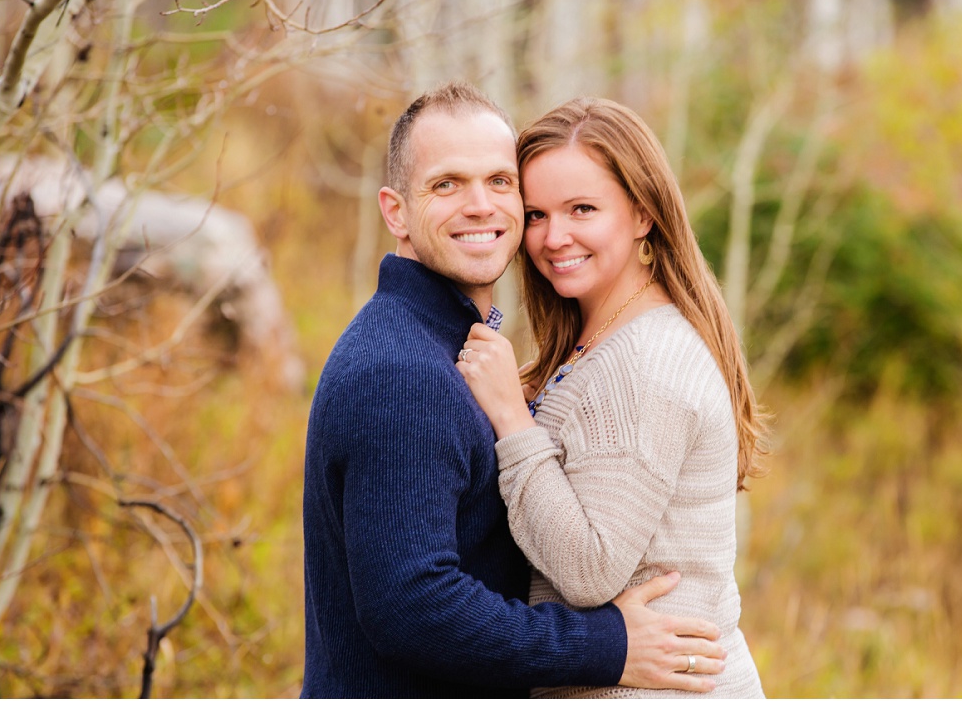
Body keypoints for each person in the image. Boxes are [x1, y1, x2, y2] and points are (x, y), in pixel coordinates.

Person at [301, 82, 729, 698]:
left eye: (501, 183)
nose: (481, 206)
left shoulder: (458, 352)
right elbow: (413, 605)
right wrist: (606, 647)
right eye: (447, 184)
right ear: (395, 211)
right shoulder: (400, 373)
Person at [456, 97, 768, 698]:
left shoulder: (643, 365)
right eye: (537, 214)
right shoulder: (604, 339)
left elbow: (589, 569)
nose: (554, 237)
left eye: (583, 209)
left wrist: (512, 419)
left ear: (643, 214)